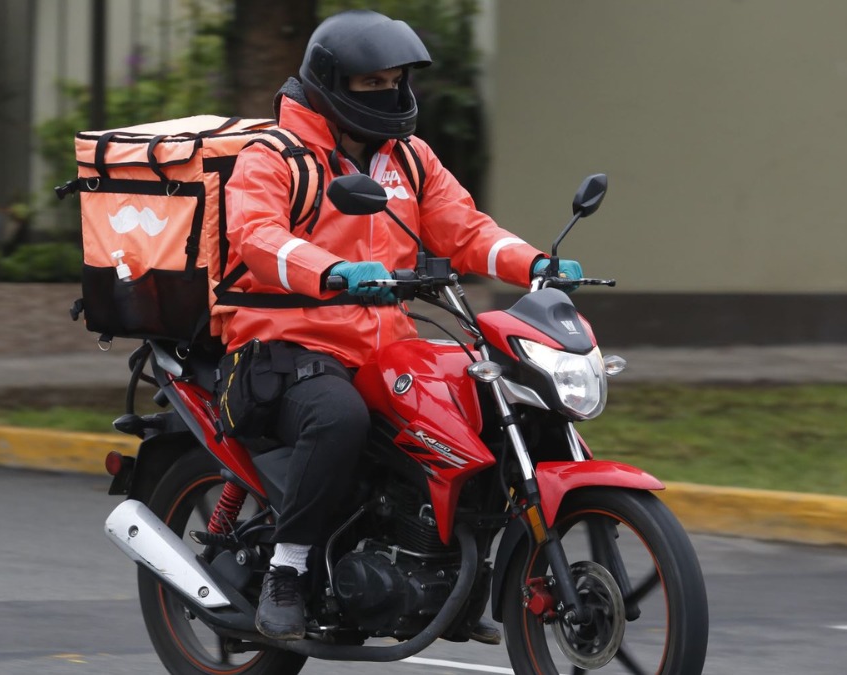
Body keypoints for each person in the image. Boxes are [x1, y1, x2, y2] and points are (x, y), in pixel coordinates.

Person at [220, 9, 583, 641]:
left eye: (396, 81)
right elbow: (258, 239)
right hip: (283, 343)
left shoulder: (410, 158)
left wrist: (534, 264)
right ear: (331, 83)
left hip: (386, 344)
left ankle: (452, 571)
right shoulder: (273, 157)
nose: (388, 94)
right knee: (338, 417)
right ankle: (287, 568)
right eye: (372, 83)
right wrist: (333, 271)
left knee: (483, 401)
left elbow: (464, 231)